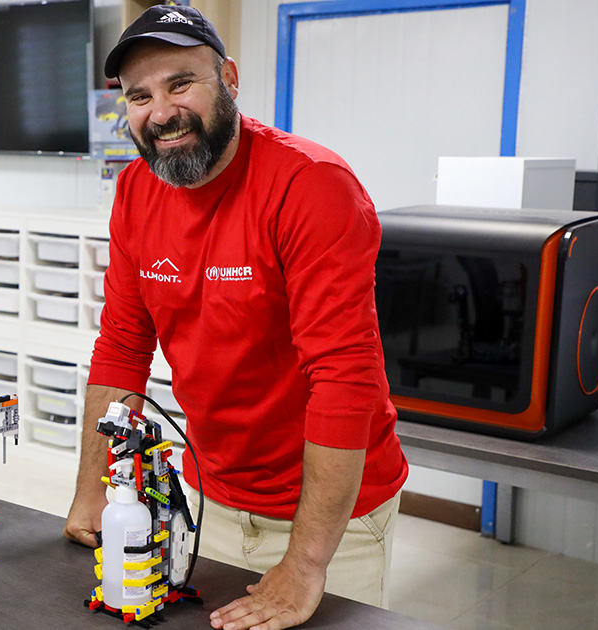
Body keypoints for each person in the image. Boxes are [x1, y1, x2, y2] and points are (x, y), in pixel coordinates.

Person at [63, 6, 409, 630]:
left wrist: (304, 563)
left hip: (334, 519)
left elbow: (344, 375)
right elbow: (122, 346)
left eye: (180, 83)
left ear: (228, 77)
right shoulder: (137, 191)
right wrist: (93, 486)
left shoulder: (311, 186)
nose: (161, 112)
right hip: (212, 496)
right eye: (139, 95)